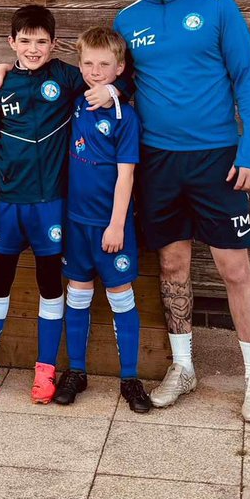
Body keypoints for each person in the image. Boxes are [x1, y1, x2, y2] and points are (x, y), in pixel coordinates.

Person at [113, 0, 250, 424]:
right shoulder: (128, 19)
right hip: (158, 162)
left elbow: (246, 79)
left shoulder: (217, 5)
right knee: (174, 267)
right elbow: (106, 77)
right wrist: (13, 70)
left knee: (234, 269)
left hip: (217, 160)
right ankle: (183, 368)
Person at [0, 5, 131, 403]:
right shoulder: (0, 85)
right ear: (11, 43)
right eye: (24, 41)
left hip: (50, 207)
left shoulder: (66, 76)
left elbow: (109, 79)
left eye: (41, 41)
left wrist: (115, 90)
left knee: (50, 288)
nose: (32, 48)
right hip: (7, 205)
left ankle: (45, 371)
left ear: (54, 44)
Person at [53, 27, 151, 413]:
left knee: (119, 296)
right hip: (74, 221)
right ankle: (76, 371)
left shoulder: (126, 117)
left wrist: (116, 224)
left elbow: (126, 176)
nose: (95, 71)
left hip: (112, 225)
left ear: (119, 67)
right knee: (77, 293)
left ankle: (130, 377)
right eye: (88, 64)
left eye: (104, 65)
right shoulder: (75, 102)